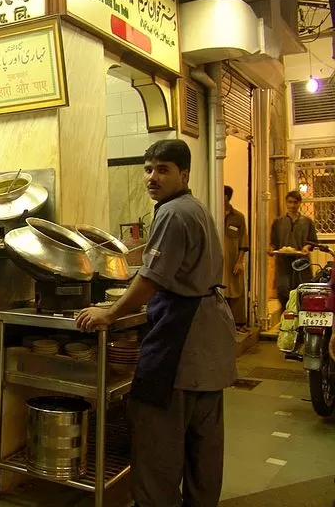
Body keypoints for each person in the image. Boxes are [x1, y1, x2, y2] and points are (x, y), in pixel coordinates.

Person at [77, 139, 237, 507]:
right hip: (210, 345)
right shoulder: (194, 207)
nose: (152, 177)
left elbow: (151, 279)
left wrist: (109, 313)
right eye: (148, 169)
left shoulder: (173, 213)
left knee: (157, 448)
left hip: (182, 342)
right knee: (203, 447)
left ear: (184, 174)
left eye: (163, 170)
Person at [270, 190, 317, 311]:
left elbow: (313, 241)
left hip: (301, 262)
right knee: (283, 290)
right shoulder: (278, 222)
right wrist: (271, 249)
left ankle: (301, 319)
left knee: (302, 291)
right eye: (290, 202)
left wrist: (306, 247)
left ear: (300, 203)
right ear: (286, 203)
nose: (292, 205)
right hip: (283, 262)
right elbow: (274, 242)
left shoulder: (307, 222)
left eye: (295, 202)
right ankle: (285, 318)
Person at [223, 186, 250, 332]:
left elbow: (243, 242)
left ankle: (239, 323)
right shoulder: (213, 213)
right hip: (218, 261)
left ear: (227, 197)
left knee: (236, 290)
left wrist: (240, 262)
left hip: (233, 261)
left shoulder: (238, 217)